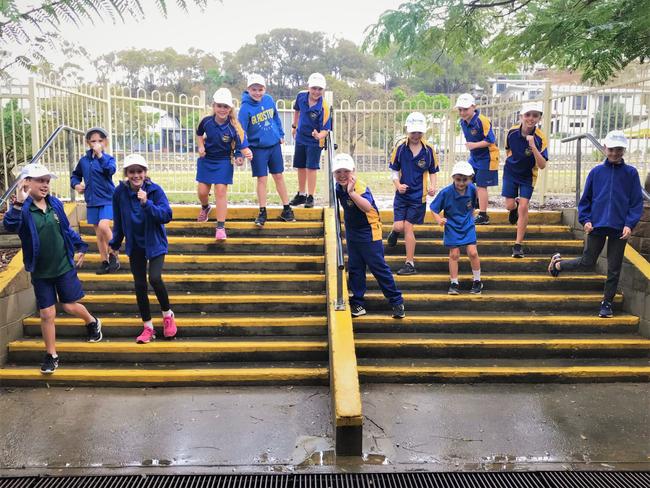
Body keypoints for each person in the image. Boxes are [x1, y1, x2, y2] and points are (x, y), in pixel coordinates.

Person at [3, 163, 102, 374]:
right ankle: (51, 355)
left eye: (47, 181)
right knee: (47, 314)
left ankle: (92, 322)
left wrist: (81, 246)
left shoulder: (54, 204)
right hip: (40, 271)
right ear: (26, 182)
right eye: (40, 180)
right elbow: (10, 226)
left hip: (64, 265)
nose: (45, 185)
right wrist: (19, 203)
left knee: (69, 306)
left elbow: (66, 230)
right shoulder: (22, 210)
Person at [548, 131, 643, 318]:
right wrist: (586, 220)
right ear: (604, 148)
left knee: (614, 268)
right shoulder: (596, 172)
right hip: (597, 226)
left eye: (619, 150)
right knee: (587, 262)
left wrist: (629, 224)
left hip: (619, 229)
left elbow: (636, 203)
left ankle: (606, 304)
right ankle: (558, 265)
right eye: (611, 149)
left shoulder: (631, 173)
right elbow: (585, 201)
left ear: (623, 150)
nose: (615, 153)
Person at [109, 154, 177, 343]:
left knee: (154, 278)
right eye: (132, 172)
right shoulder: (119, 193)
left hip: (154, 242)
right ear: (126, 174)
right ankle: (148, 327)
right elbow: (119, 220)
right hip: (135, 243)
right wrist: (115, 243)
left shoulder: (155, 191)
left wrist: (147, 204)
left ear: (145, 173)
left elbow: (166, 215)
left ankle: (167, 315)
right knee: (140, 285)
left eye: (139, 171)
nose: (136, 175)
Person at [333, 153, 405, 319]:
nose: (342, 175)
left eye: (346, 171)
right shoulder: (337, 187)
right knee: (355, 268)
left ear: (353, 171)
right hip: (352, 232)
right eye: (338, 172)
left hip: (369, 231)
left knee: (378, 267)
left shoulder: (359, 187)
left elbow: (366, 207)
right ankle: (358, 303)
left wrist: (352, 193)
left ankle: (396, 301)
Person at [195, 87, 252, 240]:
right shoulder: (206, 122)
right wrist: (200, 146)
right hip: (206, 160)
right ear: (213, 106)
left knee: (220, 191)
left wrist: (241, 156)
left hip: (223, 161)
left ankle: (220, 227)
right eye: (219, 105)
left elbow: (241, 144)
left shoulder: (234, 126)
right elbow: (199, 134)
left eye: (225, 106)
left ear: (230, 108)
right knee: (202, 191)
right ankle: (205, 208)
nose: (222, 109)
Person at [238, 74, 295, 226]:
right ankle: (263, 211)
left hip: (273, 145)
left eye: (260, 89)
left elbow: (276, 118)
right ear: (248, 89)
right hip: (257, 149)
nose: (257, 92)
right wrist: (240, 152)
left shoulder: (269, 100)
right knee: (262, 179)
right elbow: (240, 131)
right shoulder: (245, 108)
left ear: (265, 89)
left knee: (279, 176)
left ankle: (287, 208)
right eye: (254, 89)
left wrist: (280, 134)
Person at [386, 112, 439, 275]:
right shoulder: (400, 148)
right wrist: (398, 184)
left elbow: (433, 171)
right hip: (402, 195)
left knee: (408, 227)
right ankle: (395, 231)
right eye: (413, 132)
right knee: (399, 226)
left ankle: (410, 263)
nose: (416, 135)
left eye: (419, 132)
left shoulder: (429, 150)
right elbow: (394, 171)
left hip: (418, 196)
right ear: (407, 131)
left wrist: (433, 187)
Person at [429, 162, 483, 295]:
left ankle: (477, 281)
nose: (461, 183)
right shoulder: (446, 192)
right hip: (452, 225)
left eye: (465, 180)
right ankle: (454, 283)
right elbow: (433, 208)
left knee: (473, 252)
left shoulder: (472, 189)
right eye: (458, 179)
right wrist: (439, 220)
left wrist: (471, 215)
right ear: (453, 178)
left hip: (467, 224)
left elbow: (473, 204)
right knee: (454, 254)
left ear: (470, 178)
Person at [70, 126, 119, 274]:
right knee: (99, 234)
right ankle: (104, 262)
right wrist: (76, 184)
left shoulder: (108, 159)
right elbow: (75, 175)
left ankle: (114, 254)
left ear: (105, 143)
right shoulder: (84, 161)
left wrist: (100, 156)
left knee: (105, 226)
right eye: (93, 141)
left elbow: (110, 170)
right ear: (88, 143)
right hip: (92, 201)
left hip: (107, 199)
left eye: (100, 140)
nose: (96, 143)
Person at [503, 102, 549, 258]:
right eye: (527, 115)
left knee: (524, 207)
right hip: (511, 172)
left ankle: (518, 245)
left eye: (535, 115)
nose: (531, 118)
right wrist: (511, 160)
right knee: (510, 205)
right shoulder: (511, 132)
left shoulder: (541, 138)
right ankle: (513, 207)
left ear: (539, 118)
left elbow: (542, 165)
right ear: (521, 116)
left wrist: (533, 147)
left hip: (528, 176)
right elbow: (507, 148)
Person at [289, 72, 332, 209]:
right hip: (301, 137)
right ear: (309, 87)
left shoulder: (324, 106)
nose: (316, 91)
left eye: (319, 89)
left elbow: (326, 129)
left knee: (311, 167)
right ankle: (301, 194)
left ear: (323, 90)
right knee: (300, 166)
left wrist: (319, 135)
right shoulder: (301, 96)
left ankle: (310, 196)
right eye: (314, 88)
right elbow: (296, 110)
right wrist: (294, 126)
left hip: (314, 141)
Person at [456, 93, 499, 225]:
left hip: (488, 156)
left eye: (465, 109)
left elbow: (491, 140)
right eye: (460, 109)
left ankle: (483, 215)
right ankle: (474, 203)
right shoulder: (462, 122)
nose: (462, 112)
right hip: (474, 157)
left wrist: (474, 145)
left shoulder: (482, 120)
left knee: (481, 185)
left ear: (474, 107)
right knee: (465, 179)